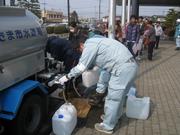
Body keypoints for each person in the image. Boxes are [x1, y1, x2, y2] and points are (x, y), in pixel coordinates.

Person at [55, 35, 138, 134]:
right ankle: (114, 116)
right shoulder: (98, 41)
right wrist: (100, 90)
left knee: (112, 98)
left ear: (81, 45)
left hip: (122, 69)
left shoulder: (89, 46)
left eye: (79, 50)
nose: (80, 52)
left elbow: (81, 67)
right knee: (119, 97)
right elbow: (105, 70)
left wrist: (67, 77)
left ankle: (108, 126)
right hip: (129, 66)